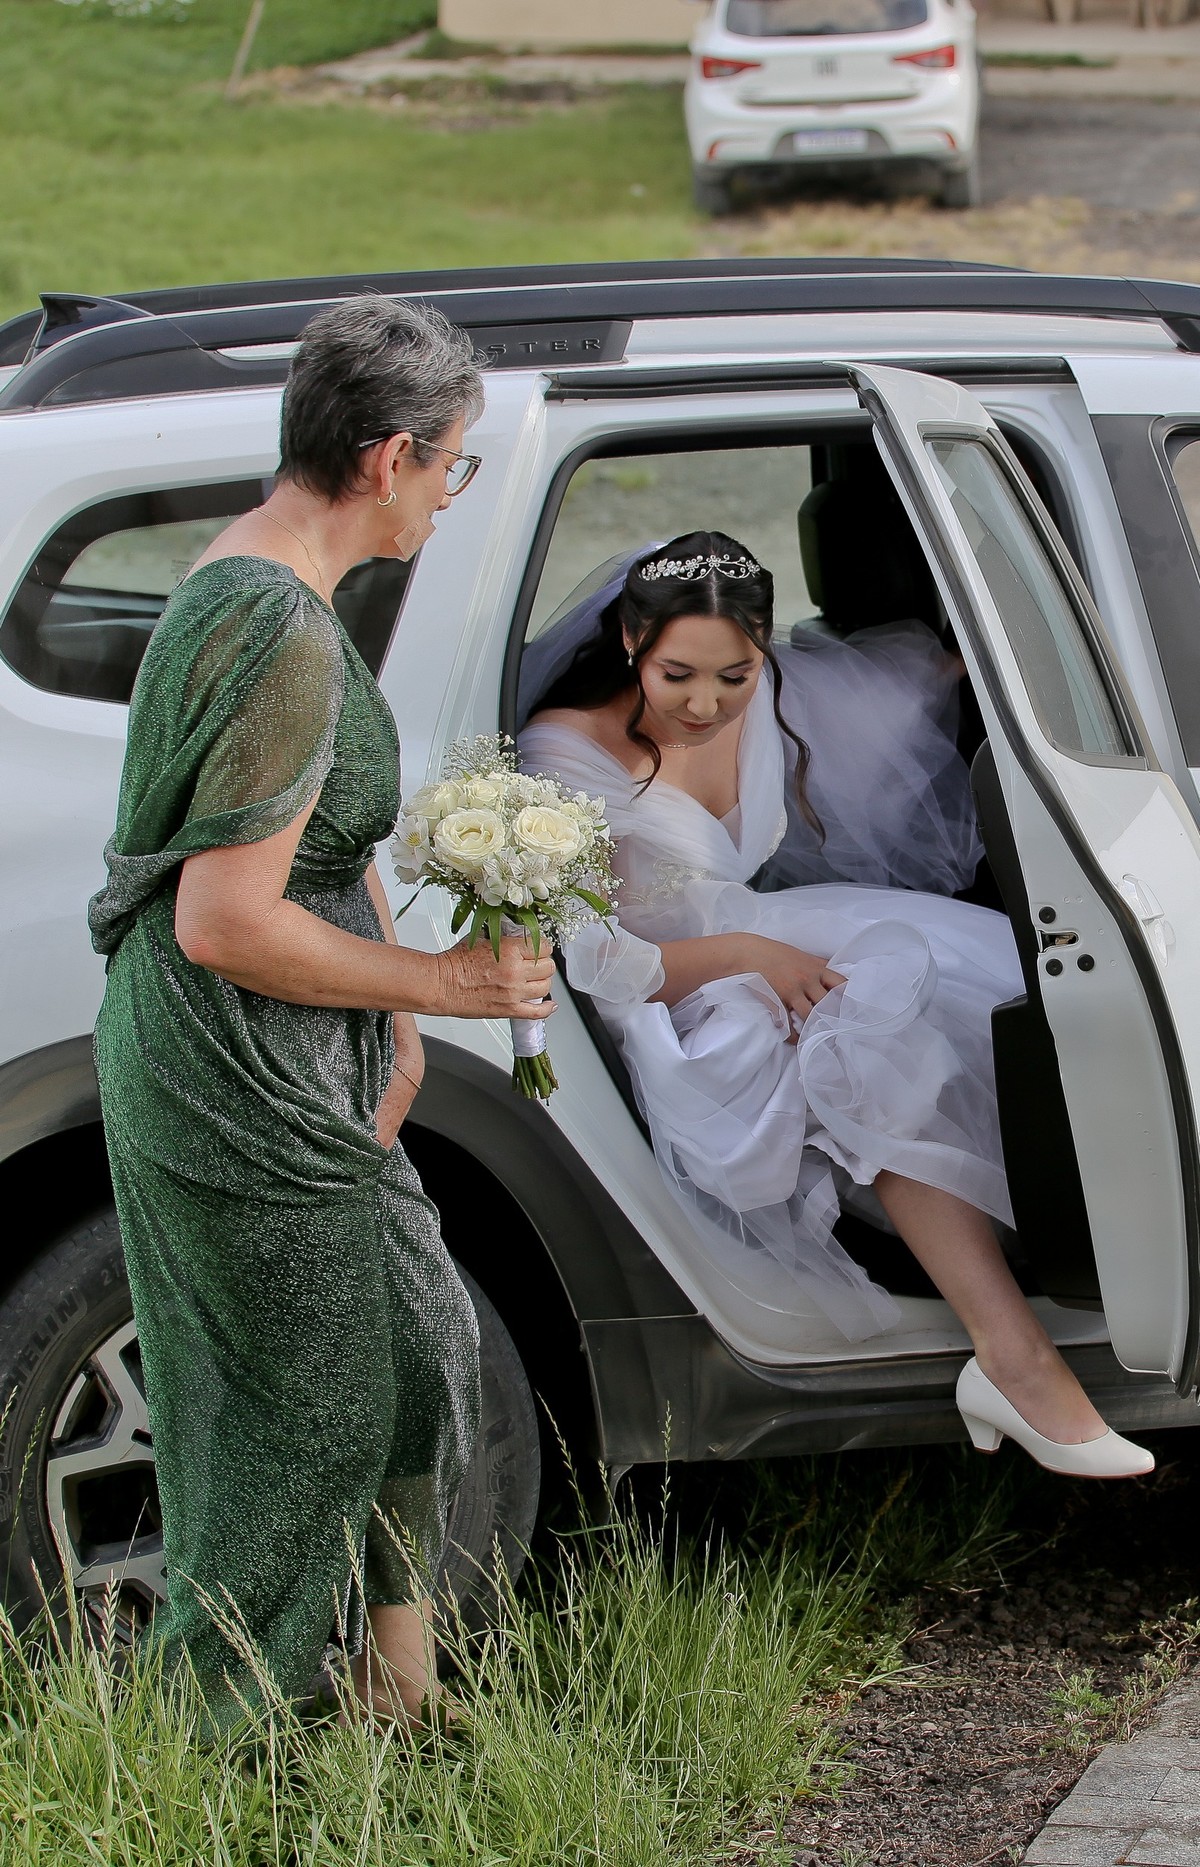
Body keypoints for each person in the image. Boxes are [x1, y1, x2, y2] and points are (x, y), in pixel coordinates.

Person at [89, 296, 556, 1732]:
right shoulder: (274, 625)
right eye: (453, 463)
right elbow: (223, 917)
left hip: (312, 1053)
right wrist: (448, 986)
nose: (450, 492)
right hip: (231, 1065)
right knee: (297, 1430)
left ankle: (393, 1686)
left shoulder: (279, 581)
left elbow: (318, 844)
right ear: (389, 455)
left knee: (416, 1349)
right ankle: (201, 1756)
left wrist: (396, 1020)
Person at [520, 530, 1152, 1479]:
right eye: (677, 675)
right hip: (664, 990)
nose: (706, 705)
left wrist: (990, 655)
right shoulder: (565, 752)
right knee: (866, 1036)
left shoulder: (771, 697)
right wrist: (749, 959)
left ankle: (1079, 1293)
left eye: (735, 676)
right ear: (629, 641)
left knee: (963, 988)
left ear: (764, 652)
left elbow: (884, 702)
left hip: (759, 937)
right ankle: (1016, 1359)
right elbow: (597, 959)